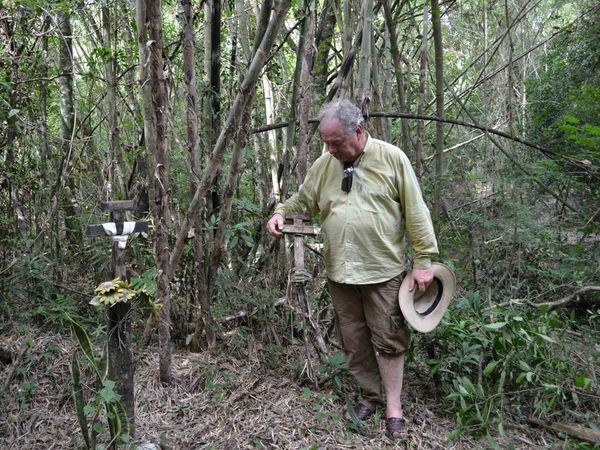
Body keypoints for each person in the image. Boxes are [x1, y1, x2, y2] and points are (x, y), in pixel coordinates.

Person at [266, 99, 438, 439]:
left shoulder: (391, 159)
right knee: (354, 341)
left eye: (335, 142)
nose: (329, 150)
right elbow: (304, 200)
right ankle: (369, 396)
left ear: (358, 131)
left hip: (383, 272)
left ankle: (393, 407)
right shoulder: (324, 164)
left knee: (389, 340)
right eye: (325, 143)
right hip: (340, 273)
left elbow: (416, 211)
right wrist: (281, 211)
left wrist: (423, 261)